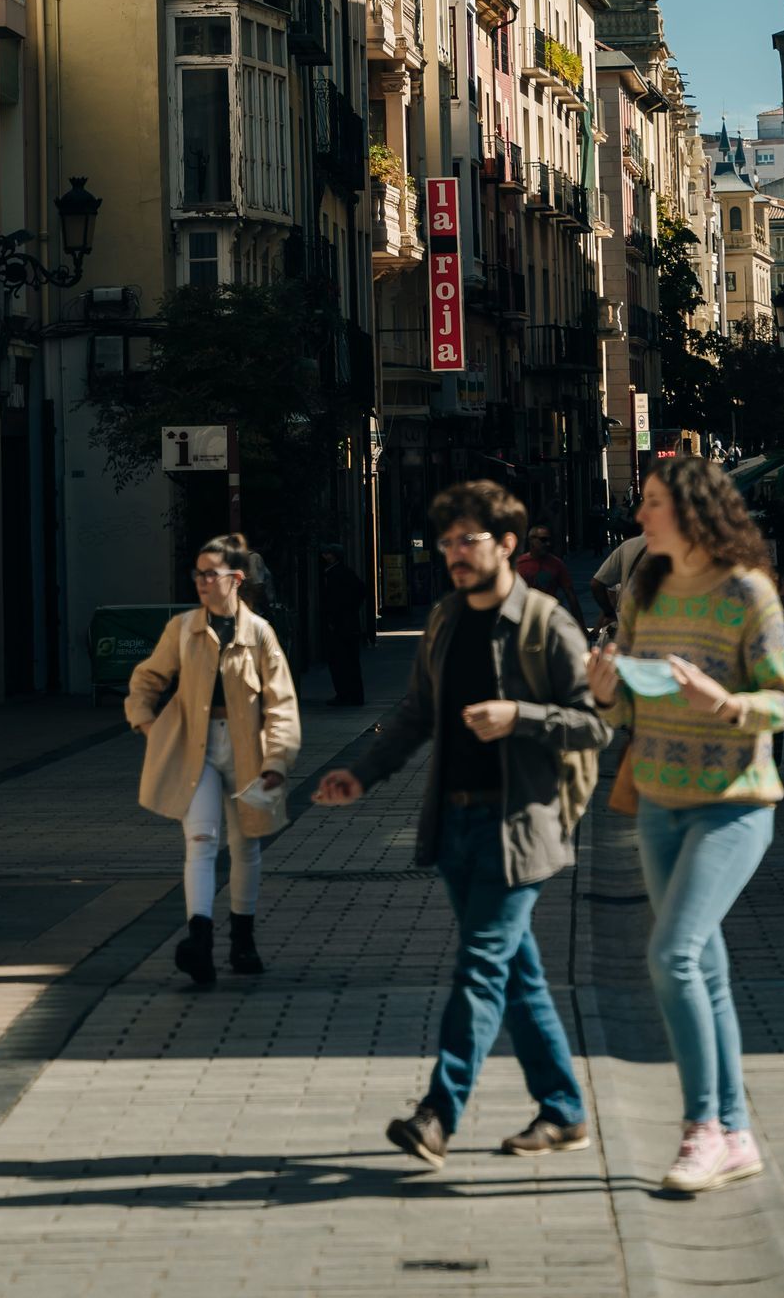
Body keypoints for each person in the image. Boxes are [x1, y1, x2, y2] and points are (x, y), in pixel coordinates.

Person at [314, 479, 603, 1168]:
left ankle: (439, 1111)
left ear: (506, 542)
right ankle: (562, 1109)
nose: (453, 553)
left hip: (519, 825)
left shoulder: (546, 622)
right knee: (515, 972)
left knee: (479, 967)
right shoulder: (444, 619)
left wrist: (520, 717)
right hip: (452, 822)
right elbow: (417, 711)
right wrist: (363, 769)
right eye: (445, 542)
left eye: (466, 539)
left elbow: (594, 725)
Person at [588, 454, 784, 1196]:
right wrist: (607, 691)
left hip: (736, 802)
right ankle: (736, 1133)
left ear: (693, 510)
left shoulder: (749, 593)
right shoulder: (643, 590)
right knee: (702, 968)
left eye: (650, 503)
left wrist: (727, 702)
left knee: (671, 955)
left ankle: (702, 1128)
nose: (639, 516)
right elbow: (628, 712)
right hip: (656, 797)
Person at [127, 534, 301, 988]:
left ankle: (242, 942)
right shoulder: (183, 629)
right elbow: (147, 678)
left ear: (236, 580)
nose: (203, 582)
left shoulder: (259, 632)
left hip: (248, 749)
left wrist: (277, 761)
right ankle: (198, 942)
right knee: (201, 840)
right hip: (195, 749)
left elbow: (281, 703)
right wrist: (149, 727)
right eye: (198, 574)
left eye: (212, 574)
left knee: (246, 844)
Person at [319, 542, 369, 704]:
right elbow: (361, 590)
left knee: (340, 660)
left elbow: (336, 599)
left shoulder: (336, 573)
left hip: (340, 625)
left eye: (327, 554)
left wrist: (340, 613)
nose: (324, 557)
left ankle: (345, 694)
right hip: (348, 623)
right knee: (350, 661)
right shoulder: (344, 572)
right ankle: (353, 694)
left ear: (333, 556)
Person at [515, 524, 582, 625]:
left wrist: (581, 626)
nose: (548, 544)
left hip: (548, 618)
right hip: (523, 618)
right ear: (531, 540)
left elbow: (570, 595)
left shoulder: (557, 564)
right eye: (543, 540)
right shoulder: (519, 564)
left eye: (549, 540)